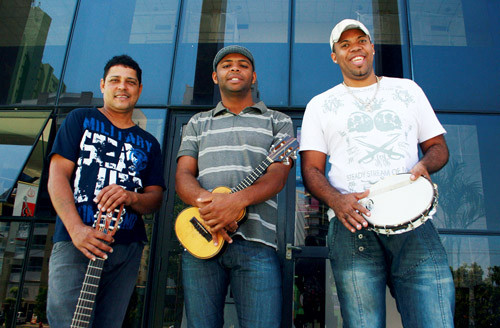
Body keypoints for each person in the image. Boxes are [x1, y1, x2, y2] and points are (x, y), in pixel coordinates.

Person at [300, 19, 455, 327]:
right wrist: (336, 200)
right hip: (352, 222)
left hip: (414, 221)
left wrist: (424, 165)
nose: (354, 48)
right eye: (344, 45)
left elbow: (438, 147)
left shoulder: (407, 90)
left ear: (371, 47)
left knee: (434, 319)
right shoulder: (320, 105)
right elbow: (311, 169)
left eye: (361, 40)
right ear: (335, 56)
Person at [175, 45, 294, 328]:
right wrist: (212, 206)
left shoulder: (279, 121)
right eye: (227, 65)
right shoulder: (197, 123)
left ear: (253, 77)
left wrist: (234, 203)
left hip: (257, 245)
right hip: (200, 240)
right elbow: (182, 177)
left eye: (243, 64)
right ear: (215, 77)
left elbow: (277, 177)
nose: (235, 69)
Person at [46, 54, 165, 328]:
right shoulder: (79, 119)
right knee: (66, 322)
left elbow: (155, 198)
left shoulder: (149, 142)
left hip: (126, 249)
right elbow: (57, 177)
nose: (122, 87)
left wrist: (132, 196)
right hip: (76, 241)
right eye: (115, 80)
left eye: (130, 82)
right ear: (102, 85)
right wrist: (76, 229)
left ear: (139, 89)